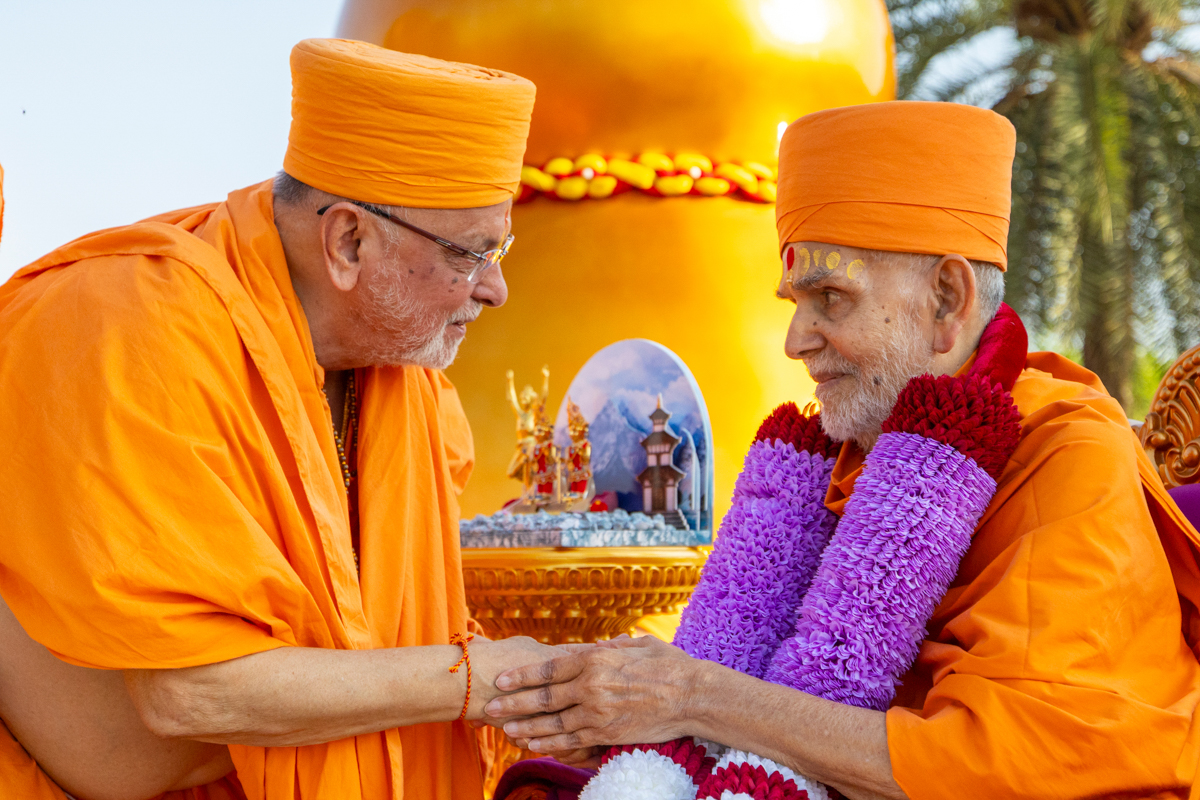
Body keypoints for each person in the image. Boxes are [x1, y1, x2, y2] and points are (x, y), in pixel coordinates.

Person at [483, 102, 1200, 799]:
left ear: (947, 300)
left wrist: (695, 697)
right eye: (794, 303)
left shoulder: (1064, 455)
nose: (796, 341)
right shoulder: (847, 448)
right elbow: (775, 680)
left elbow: (1002, 764)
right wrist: (626, 717)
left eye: (830, 298)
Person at [0, 39, 561, 800]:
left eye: (503, 248)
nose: (494, 289)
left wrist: (548, 687)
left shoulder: (408, 384)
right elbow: (189, 691)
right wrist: (477, 680)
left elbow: (379, 644)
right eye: (472, 253)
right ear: (348, 241)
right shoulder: (133, 328)